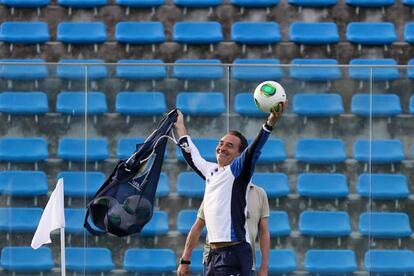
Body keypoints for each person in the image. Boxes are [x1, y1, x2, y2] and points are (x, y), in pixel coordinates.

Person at [174, 105, 284, 275]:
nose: (222, 148)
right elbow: (190, 154)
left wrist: (269, 123)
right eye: (221, 143)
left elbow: (254, 150)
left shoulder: (237, 171)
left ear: (239, 155)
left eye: (230, 146)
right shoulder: (211, 171)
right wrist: (180, 126)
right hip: (212, 254)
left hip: (235, 253)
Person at [177, 182, 270, 275]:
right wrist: (185, 260)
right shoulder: (215, 190)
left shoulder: (260, 194)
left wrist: (264, 267)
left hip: (246, 264)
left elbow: (264, 232)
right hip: (214, 261)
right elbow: (198, 226)